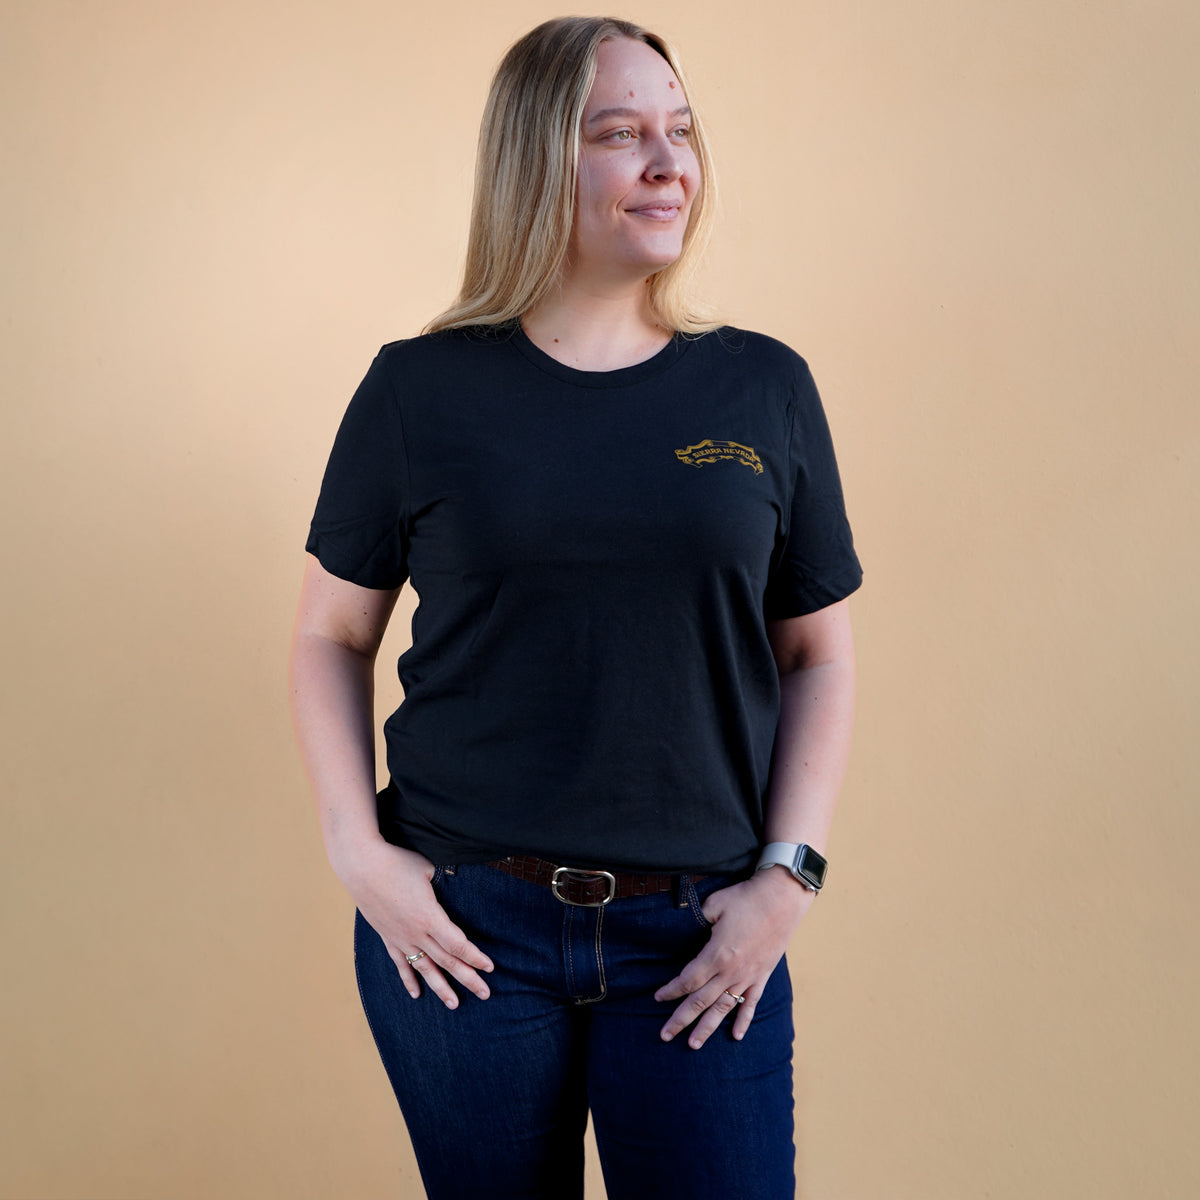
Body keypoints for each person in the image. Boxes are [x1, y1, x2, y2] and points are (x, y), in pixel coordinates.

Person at [289, 15, 861, 1199]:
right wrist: (360, 854)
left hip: (702, 940)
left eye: (682, 131)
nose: (670, 163)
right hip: (462, 936)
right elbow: (330, 633)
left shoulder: (763, 385)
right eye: (620, 134)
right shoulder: (419, 391)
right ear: (538, 161)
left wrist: (785, 882)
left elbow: (817, 654)